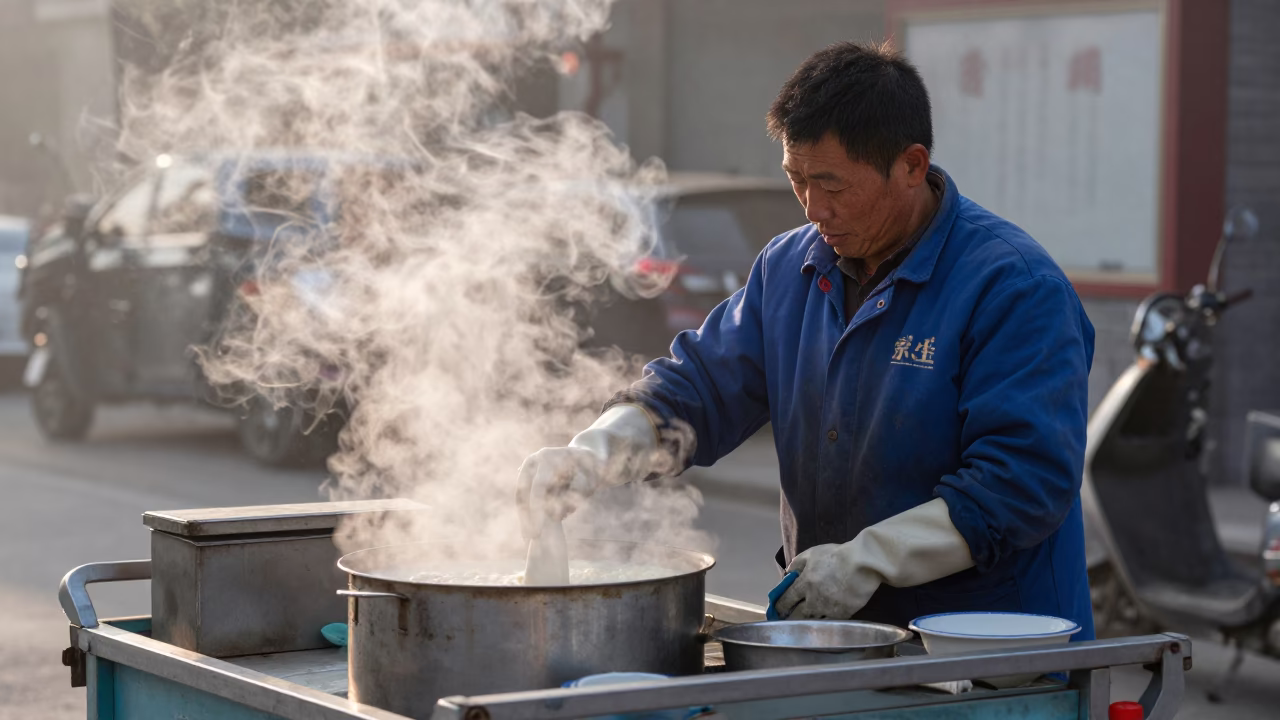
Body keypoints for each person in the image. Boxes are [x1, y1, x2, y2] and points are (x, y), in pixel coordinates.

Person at [517, 41, 1095, 636]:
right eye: (797, 179)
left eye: (834, 185)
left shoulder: (1013, 287)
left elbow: (1022, 482)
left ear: (912, 165)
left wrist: (869, 559)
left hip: (990, 653)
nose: (815, 208)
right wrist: (594, 452)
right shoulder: (790, 268)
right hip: (837, 640)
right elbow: (699, 389)